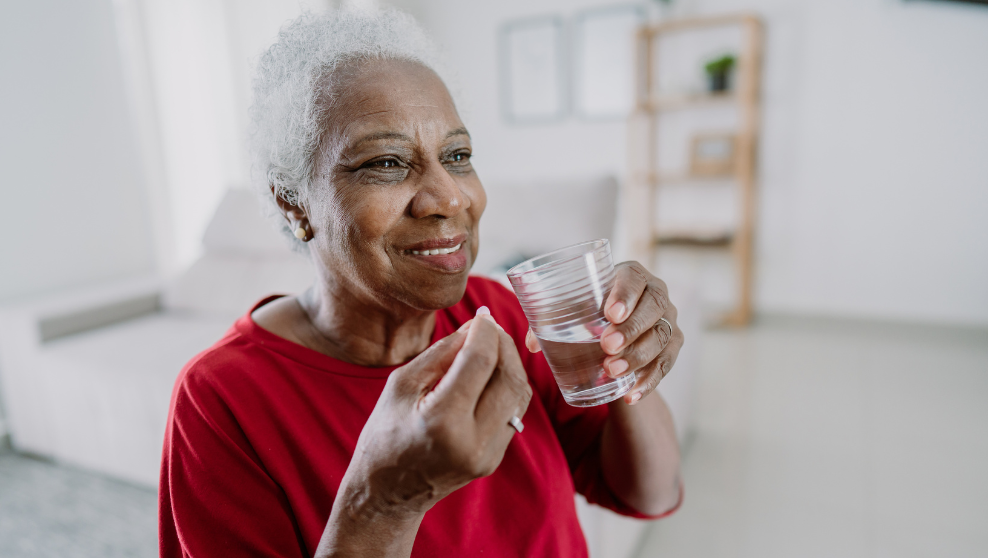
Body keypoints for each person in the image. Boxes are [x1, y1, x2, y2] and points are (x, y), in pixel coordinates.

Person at [159, 8, 684, 558]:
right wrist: (385, 503)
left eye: (457, 156)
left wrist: (630, 366)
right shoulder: (219, 401)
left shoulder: (501, 315)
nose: (450, 198)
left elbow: (651, 492)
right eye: (387, 162)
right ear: (294, 202)